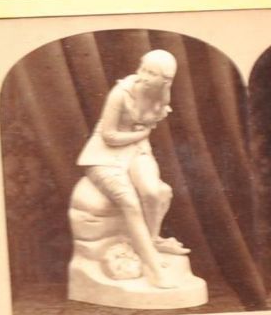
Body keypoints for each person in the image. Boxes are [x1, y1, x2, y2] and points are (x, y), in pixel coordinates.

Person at [77, 50, 190, 289]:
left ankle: (149, 241)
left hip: (136, 149)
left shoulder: (162, 98)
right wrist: (142, 133)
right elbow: (108, 136)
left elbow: (148, 127)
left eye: (152, 73)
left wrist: (141, 137)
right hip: (103, 155)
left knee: (154, 192)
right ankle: (154, 267)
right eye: (144, 69)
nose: (144, 76)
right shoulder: (121, 93)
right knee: (129, 200)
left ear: (165, 80)